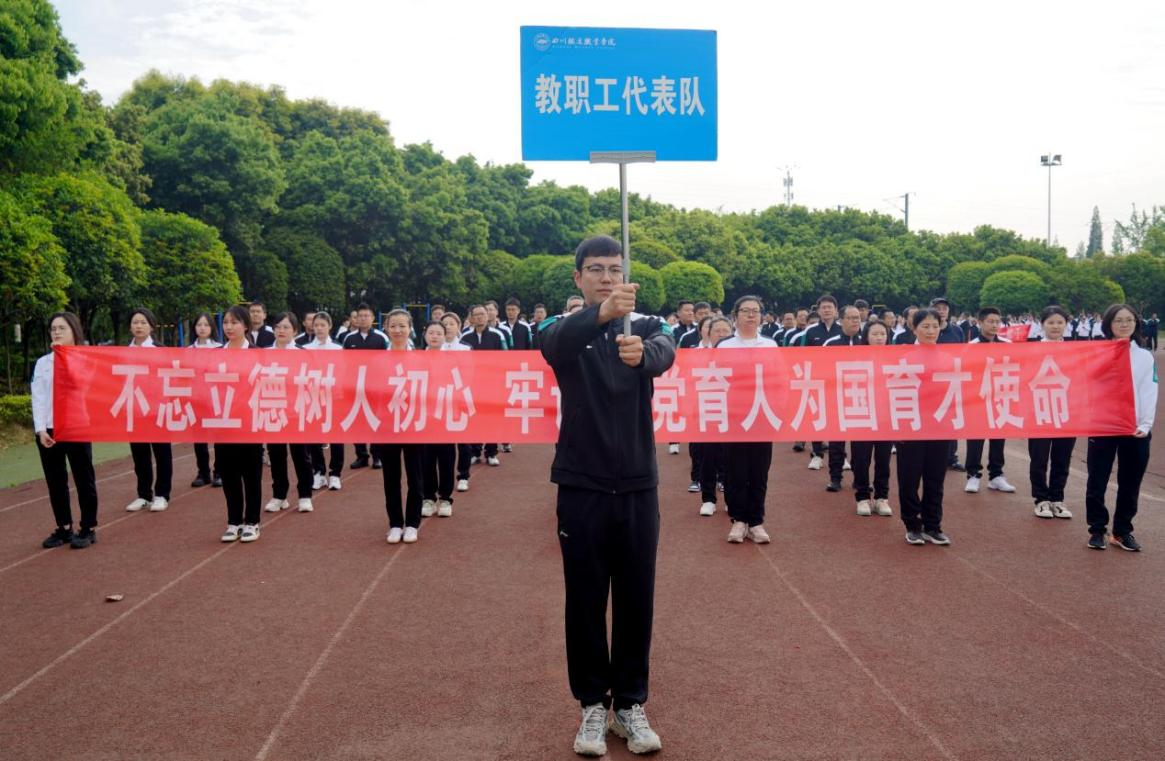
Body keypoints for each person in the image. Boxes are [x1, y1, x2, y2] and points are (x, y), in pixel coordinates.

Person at [540, 235, 673, 756]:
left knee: (637, 598)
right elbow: (555, 346)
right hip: (582, 485)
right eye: (595, 269)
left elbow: (666, 351)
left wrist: (644, 355)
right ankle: (592, 704)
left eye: (615, 269)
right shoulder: (562, 328)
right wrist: (600, 315)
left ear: (626, 275)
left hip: (638, 483)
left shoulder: (647, 327)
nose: (606, 277)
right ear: (578, 277)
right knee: (586, 599)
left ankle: (630, 705)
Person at [1085, 304, 1158, 551]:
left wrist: (1145, 424)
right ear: (1109, 324)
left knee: (1130, 481)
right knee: (1097, 479)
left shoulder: (1144, 357)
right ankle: (1097, 529)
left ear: (1136, 323)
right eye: (1118, 320)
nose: (1124, 324)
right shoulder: (1097, 352)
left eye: (1129, 320)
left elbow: (1149, 390)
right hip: (1103, 424)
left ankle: (1122, 531)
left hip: (1134, 427)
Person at [33, 312, 100, 549]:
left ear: (74, 331)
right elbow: (38, 397)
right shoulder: (43, 363)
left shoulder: (84, 359)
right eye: (53, 328)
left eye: (62, 328)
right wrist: (41, 430)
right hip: (49, 430)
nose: (57, 332)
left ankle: (88, 527)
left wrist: (64, 358)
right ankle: (63, 527)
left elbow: (81, 385)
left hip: (76, 425)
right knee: (56, 480)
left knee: (84, 478)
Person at [718, 296, 779, 544]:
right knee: (735, 470)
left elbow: (779, 378)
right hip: (734, 415)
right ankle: (738, 520)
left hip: (762, 414)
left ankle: (756, 520)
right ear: (736, 316)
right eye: (746, 311)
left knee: (759, 470)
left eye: (755, 311)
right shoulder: (724, 346)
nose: (751, 315)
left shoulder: (770, 345)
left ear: (761, 316)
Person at [897, 308, 952, 546]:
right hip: (911, 424)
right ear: (914, 328)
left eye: (935, 326)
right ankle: (912, 524)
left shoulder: (948, 358)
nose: (931, 331)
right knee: (909, 477)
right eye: (925, 326)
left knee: (935, 477)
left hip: (940, 425)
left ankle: (933, 525)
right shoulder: (904, 357)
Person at [217, 305, 265, 542]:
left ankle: (252, 521)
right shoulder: (215, 354)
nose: (229, 327)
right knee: (228, 473)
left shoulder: (258, 354)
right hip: (223, 423)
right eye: (226, 322)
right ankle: (233, 521)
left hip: (250, 423)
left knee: (251, 474)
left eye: (234, 322)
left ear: (245, 325)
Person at [264, 312, 316, 514]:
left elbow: (312, 383)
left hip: (297, 412)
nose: (281, 331)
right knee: (276, 455)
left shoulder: (303, 354)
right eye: (277, 327)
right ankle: (279, 495)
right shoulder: (265, 353)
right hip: (273, 411)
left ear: (295, 330)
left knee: (301, 455)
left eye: (286, 327)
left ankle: (305, 495)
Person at [381, 309, 424, 544]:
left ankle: (413, 523)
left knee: (415, 476)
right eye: (393, 326)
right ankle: (395, 523)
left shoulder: (421, 359)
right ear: (386, 328)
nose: (397, 330)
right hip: (387, 425)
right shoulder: (378, 360)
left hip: (414, 424)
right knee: (391, 476)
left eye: (402, 326)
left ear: (410, 329)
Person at [963, 307, 1017, 495]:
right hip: (978, 398)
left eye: (997, 322)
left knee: (998, 436)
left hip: (1000, 396)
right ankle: (973, 475)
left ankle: (996, 475)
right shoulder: (971, 346)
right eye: (990, 321)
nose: (995, 325)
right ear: (980, 322)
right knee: (975, 437)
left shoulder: (1008, 344)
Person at [1027, 306, 1074, 520]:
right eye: (1051, 322)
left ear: (1066, 325)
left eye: (1060, 322)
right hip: (1040, 411)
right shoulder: (1032, 350)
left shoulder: (1077, 351)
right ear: (1042, 324)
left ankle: (1057, 498)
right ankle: (1041, 499)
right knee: (1039, 458)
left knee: (1062, 458)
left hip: (1067, 412)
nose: (1056, 326)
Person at [125, 308, 173, 513]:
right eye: (135, 322)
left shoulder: (159, 350)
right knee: (139, 454)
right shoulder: (123, 352)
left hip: (157, 409)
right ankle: (144, 494)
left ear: (151, 326)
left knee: (162, 453)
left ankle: (162, 494)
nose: (139, 326)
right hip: (134, 410)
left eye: (143, 322)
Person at [851, 321, 893, 517]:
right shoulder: (856, 358)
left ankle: (882, 497)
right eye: (875, 334)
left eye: (882, 334)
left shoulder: (895, 358)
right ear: (866, 337)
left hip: (886, 417)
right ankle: (862, 497)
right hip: (862, 415)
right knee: (861, 459)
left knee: (883, 459)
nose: (879, 338)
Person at [822, 305, 864, 492]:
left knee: (860, 444)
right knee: (836, 442)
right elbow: (821, 368)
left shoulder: (866, 342)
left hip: (861, 400)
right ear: (841, 320)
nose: (855, 321)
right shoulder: (831, 343)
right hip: (837, 399)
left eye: (857, 318)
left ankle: (860, 478)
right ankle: (835, 478)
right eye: (851, 318)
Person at [302, 311, 345, 490]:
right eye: (316, 325)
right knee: (314, 435)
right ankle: (318, 472)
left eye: (323, 325)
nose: (319, 328)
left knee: (335, 435)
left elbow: (342, 373)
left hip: (333, 397)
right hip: (313, 396)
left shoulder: (337, 349)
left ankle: (335, 474)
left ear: (330, 326)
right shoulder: (305, 349)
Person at [343, 303, 389, 470]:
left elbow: (387, 362)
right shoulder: (349, 338)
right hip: (355, 387)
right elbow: (344, 363)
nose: (363, 319)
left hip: (375, 387)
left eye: (366, 316)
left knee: (375, 420)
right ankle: (361, 456)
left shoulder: (381, 338)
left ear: (372, 318)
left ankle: (377, 456)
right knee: (358, 421)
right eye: (360, 316)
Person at [696, 317, 734, 516]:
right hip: (707, 412)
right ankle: (708, 499)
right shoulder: (698, 355)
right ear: (708, 334)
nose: (721, 334)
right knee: (707, 457)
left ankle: (731, 499)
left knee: (731, 459)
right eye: (717, 330)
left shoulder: (739, 355)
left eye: (725, 330)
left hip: (733, 414)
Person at [461, 304, 507, 467]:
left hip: (492, 384)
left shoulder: (497, 335)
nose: (479, 317)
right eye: (476, 314)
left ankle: (491, 452)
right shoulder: (465, 336)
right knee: (474, 419)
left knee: (491, 418)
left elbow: (506, 359)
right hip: (471, 384)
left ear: (487, 316)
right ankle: (475, 452)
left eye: (482, 314)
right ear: (471, 318)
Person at [420, 320, 456, 518]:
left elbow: (458, 384)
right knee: (426, 459)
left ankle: (445, 499)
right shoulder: (416, 358)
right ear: (425, 335)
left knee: (446, 458)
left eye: (439, 333)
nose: (434, 336)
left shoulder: (452, 359)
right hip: (422, 417)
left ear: (445, 337)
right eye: (431, 333)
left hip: (445, 415)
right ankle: (428, 497)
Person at [189, 312, 222, 488]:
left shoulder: (220, 348)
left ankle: (219, 471)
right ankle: (203, 472)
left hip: (216, 399)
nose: (202, 328)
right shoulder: (188, 350)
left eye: (206, 325)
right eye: (199, 325)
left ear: (212, 328)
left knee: (218, 437)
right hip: (196, 399)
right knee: (199, 438)